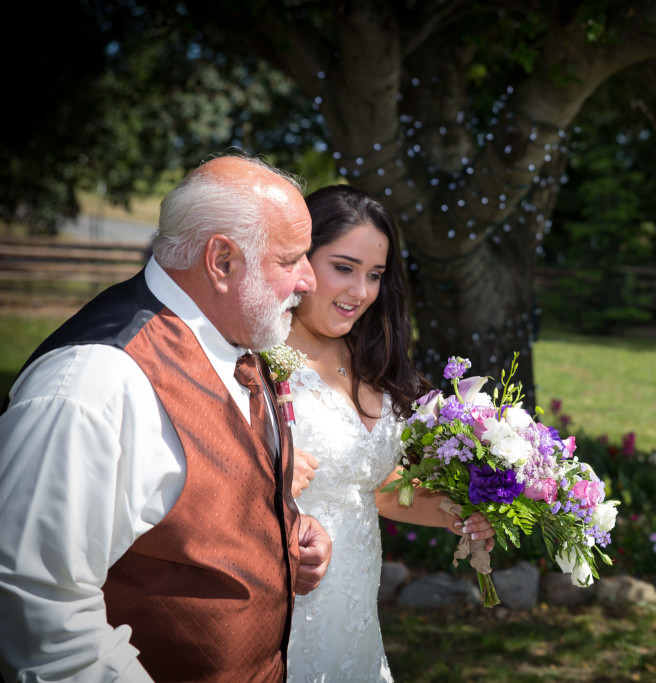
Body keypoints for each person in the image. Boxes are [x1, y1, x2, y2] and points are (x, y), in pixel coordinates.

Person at [0, 154, 332, 682]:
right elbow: (42, 614)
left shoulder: (240, 341)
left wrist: (284, 532)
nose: (309, 281)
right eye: (290, 259)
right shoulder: (94, 384)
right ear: (221, 261)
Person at [283, 184, 494, 682]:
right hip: (288, 599)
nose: (360, 292)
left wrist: (459, 513)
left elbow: (376, 487)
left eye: (375, 275)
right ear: (300, 260)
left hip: (356, 611)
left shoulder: (370, 359)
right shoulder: (259, 359)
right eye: (344, 267)